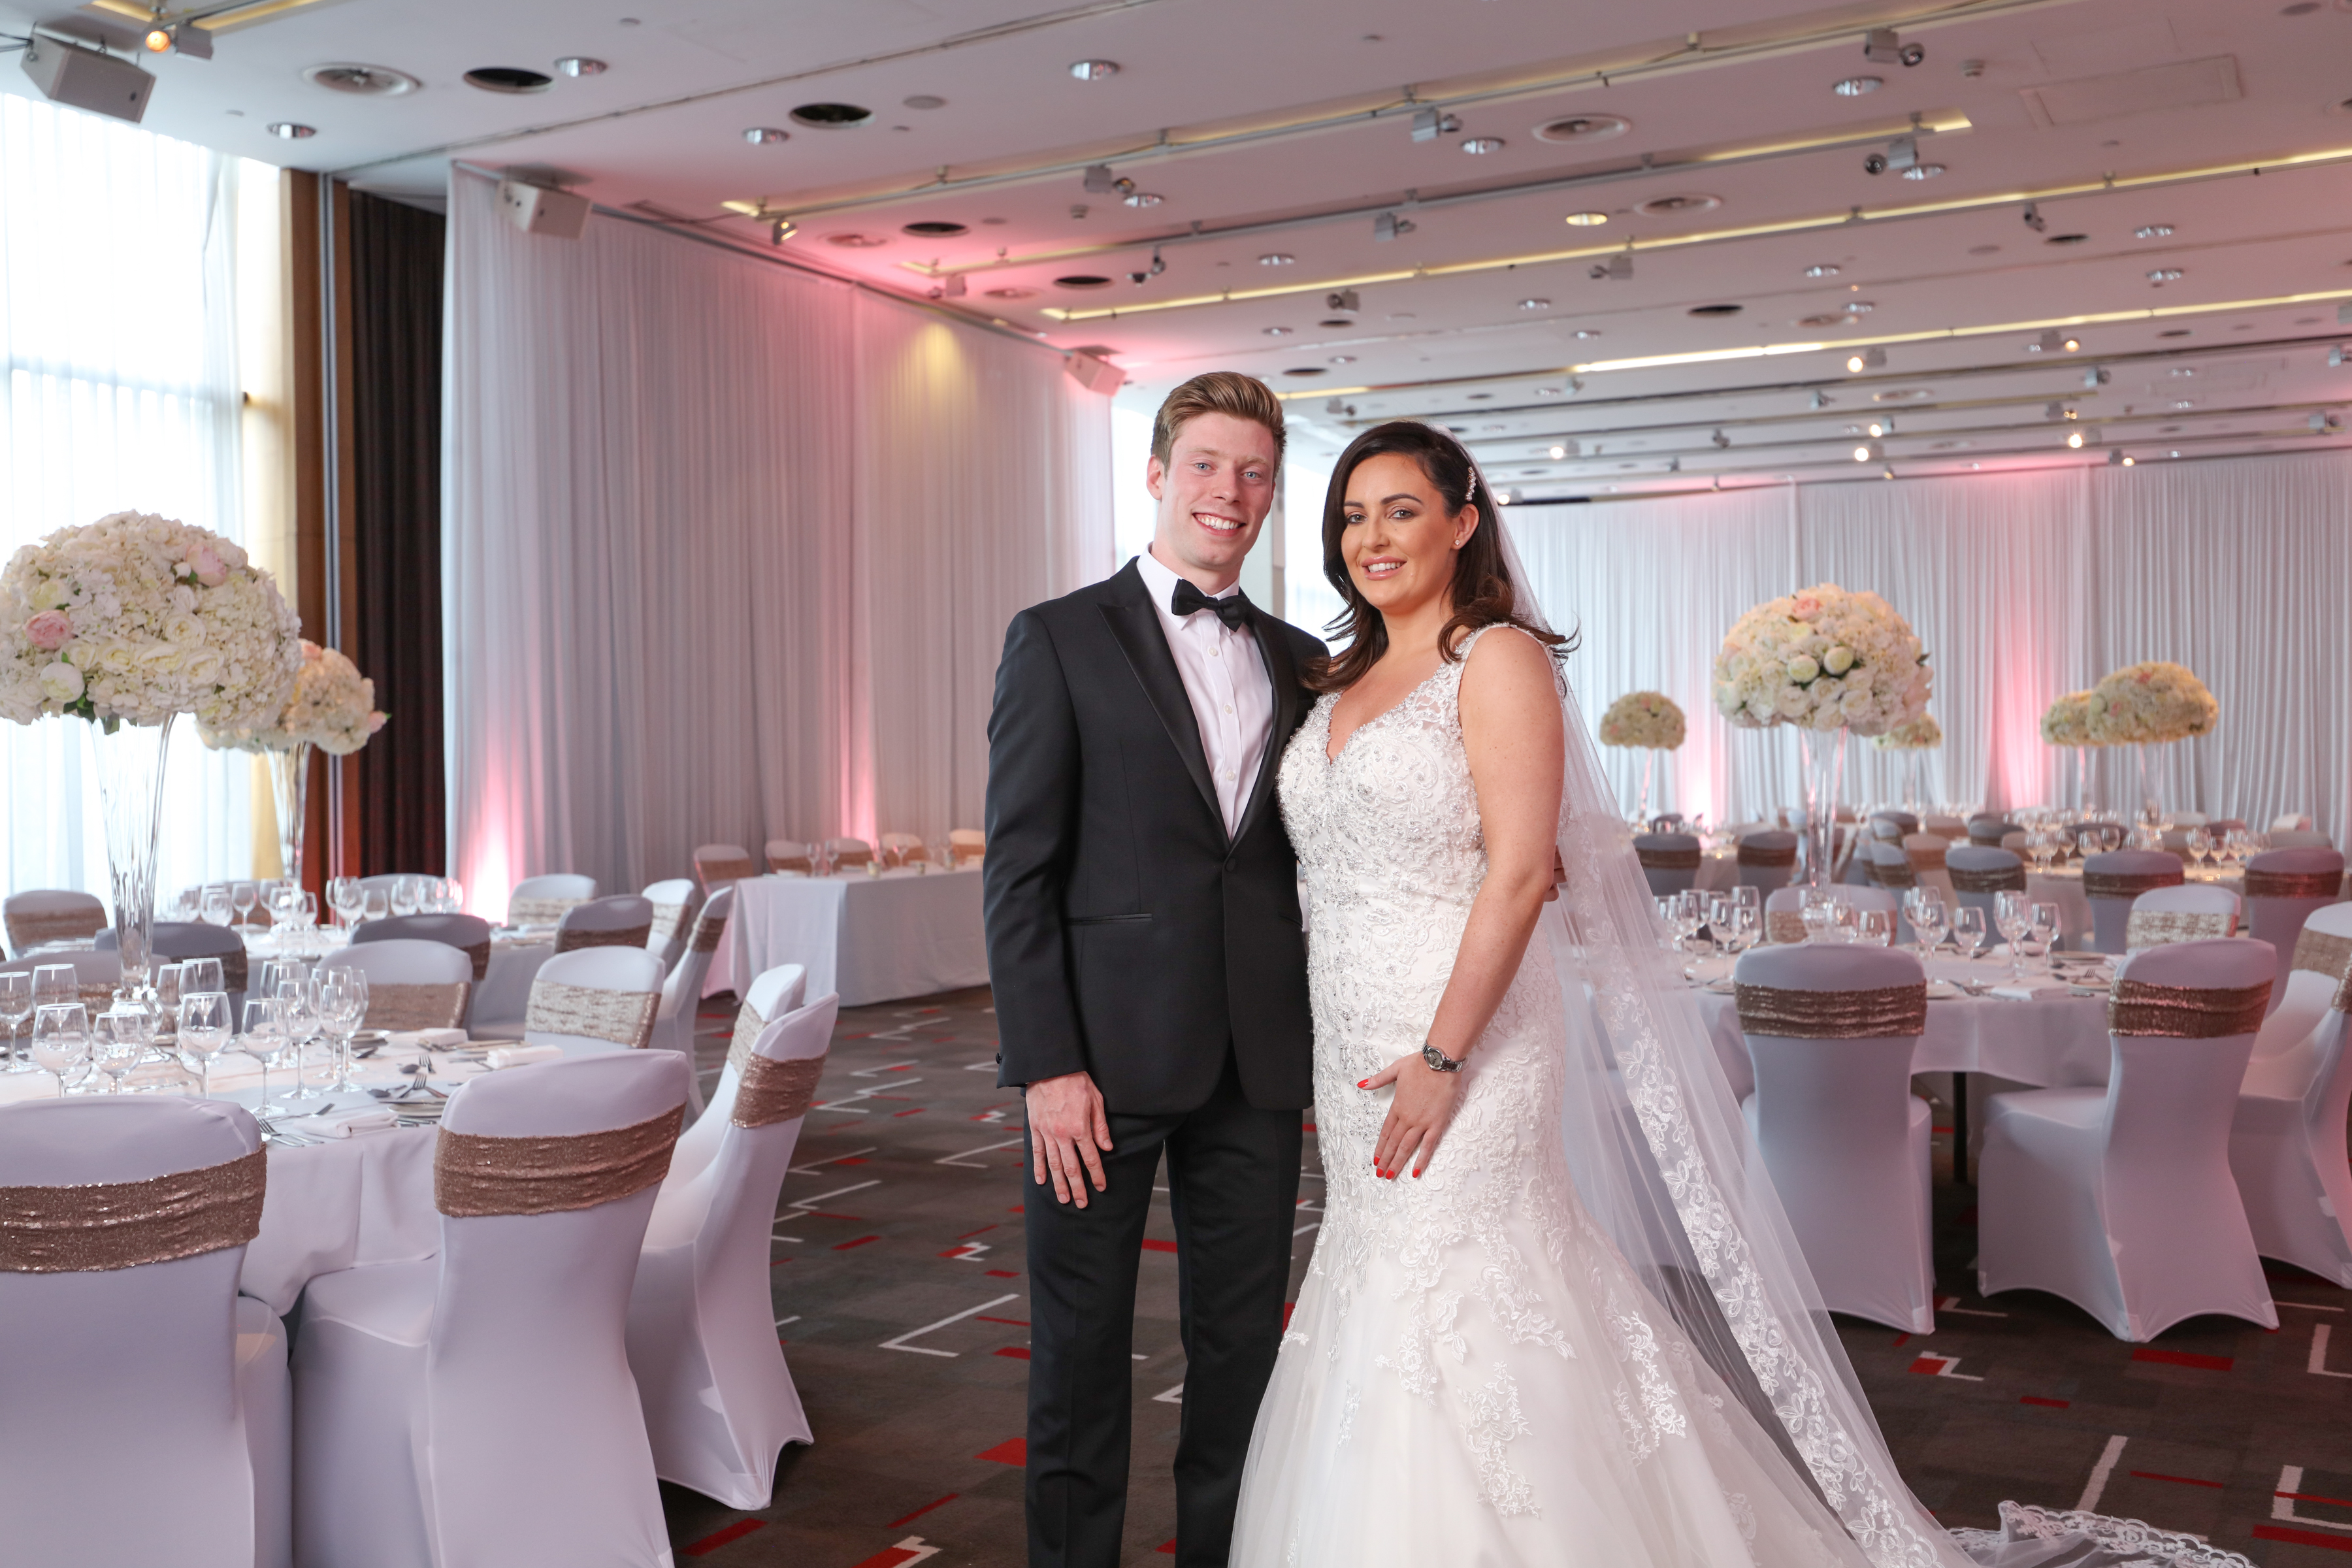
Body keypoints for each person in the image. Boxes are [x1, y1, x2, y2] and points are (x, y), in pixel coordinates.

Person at [1230, 422, 1974, 1566]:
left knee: (1473, 1283)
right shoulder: (1335, 680)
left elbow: (1523, 873)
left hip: (1466, 1043)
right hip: (1352, 1040)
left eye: (1400, 510)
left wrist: (1441, 1059)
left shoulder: (1497, 660)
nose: (1371, 537)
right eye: (1351, 515)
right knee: (1377, 1284)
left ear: (1463, 523)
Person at [983, 371, 1328, 1568]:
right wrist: (1047, 1066)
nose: (1229, 494)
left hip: (1258, 1061)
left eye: (1254, 474)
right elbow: (1018, 875)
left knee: (1241, 1352)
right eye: (1206, 467)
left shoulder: (1300, 659)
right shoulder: (1059, 638)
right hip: (1098, 1068)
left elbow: (1304, 869)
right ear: (1155, 473)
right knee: (1079, 1356)